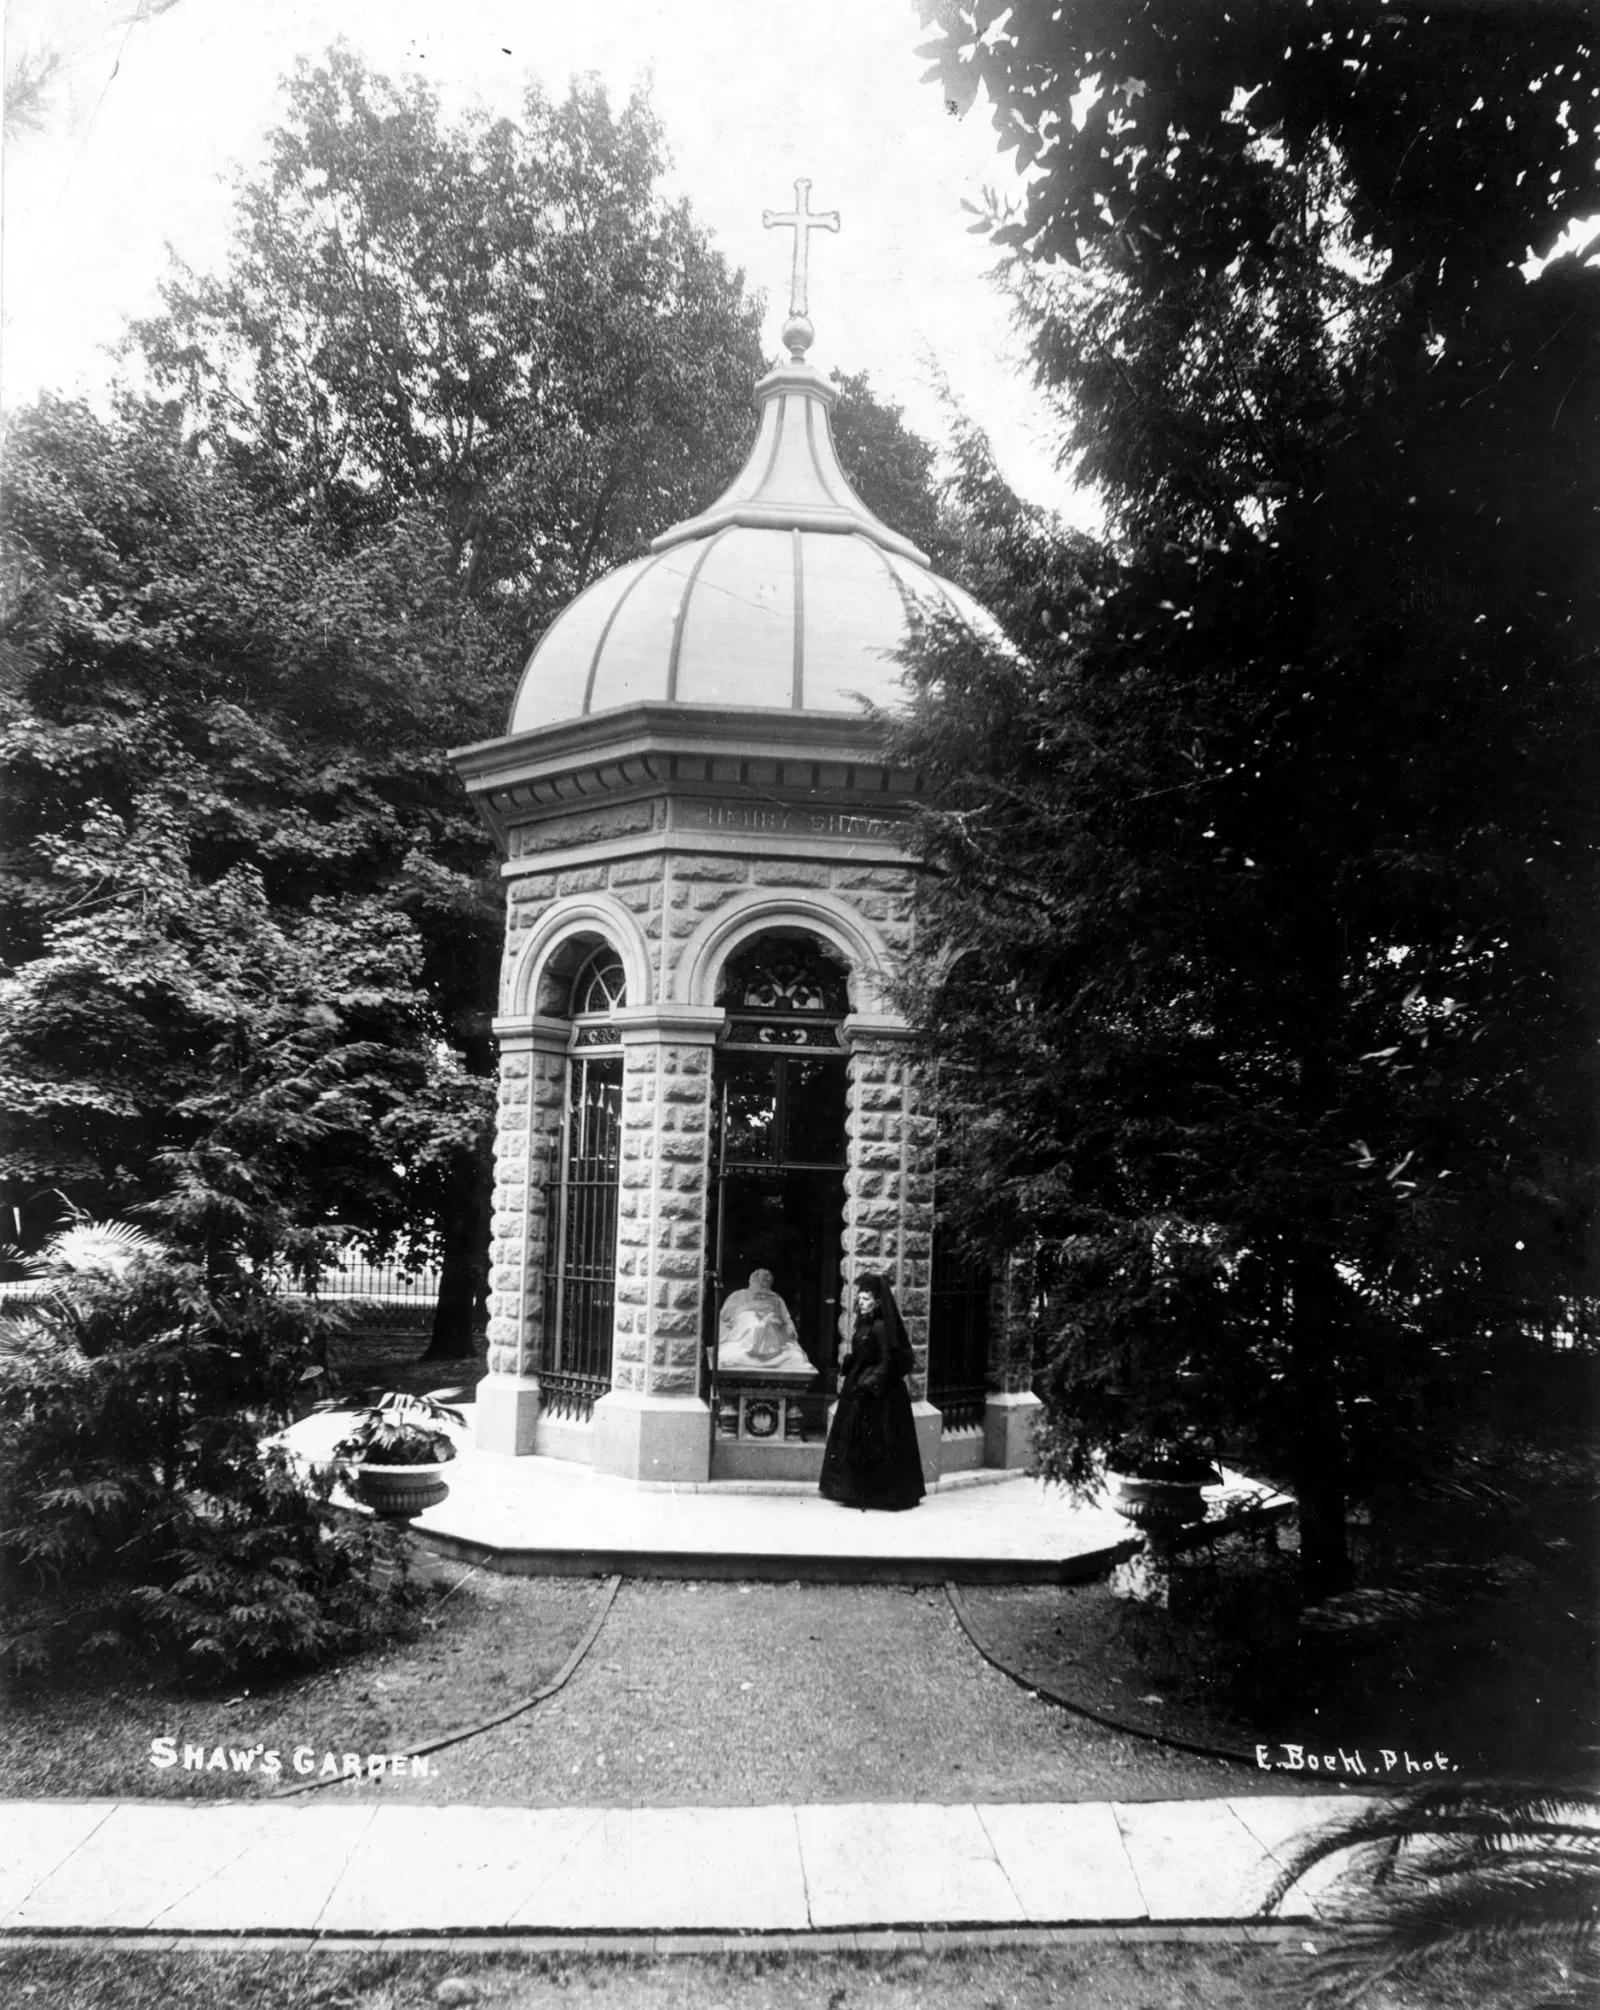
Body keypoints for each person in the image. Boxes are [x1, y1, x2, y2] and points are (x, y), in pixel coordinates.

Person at [818, 1273, 925, 1511]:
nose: (860, 1301)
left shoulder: (880, 1326)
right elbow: (864, 1353)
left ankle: (879, 1495)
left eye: (866, 1298)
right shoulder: (864, 1323)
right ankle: (853, 1491)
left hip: (879, 1394)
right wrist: (851, 1361)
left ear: (877, 1302)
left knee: (879, 1441)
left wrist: (868, 1384)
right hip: (860, 1385)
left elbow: (887, 1362)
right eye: (859, 1297)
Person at [717, 1268, 813, 1374]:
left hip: (771, 1323)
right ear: (754, 1280)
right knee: (753, 1322)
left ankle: (768, 1355)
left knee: (769, 1322)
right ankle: (750, 1351)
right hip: (746, 1319)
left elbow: (786, 1319)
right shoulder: (738, 1295)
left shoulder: (776, 1299)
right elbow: (724, 1316)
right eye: (763, 1279)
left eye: (769, 1280)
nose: (766, 1282)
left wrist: (790, 1327)